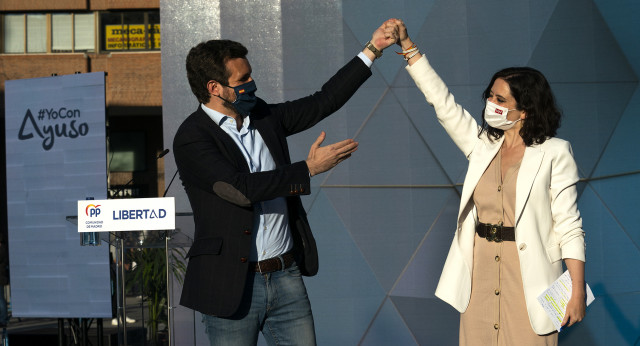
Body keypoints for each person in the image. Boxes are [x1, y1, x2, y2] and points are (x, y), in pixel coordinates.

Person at [173, 21, 397, 345]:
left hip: (286, 276)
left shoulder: (264, 117)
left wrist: (373, 49)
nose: (252, 83)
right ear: (214, 87)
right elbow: (239, 189)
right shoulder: (192, 138)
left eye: (250, 74)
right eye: (243, 79)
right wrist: (307, 169)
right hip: (230, 286)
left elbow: (325, 101)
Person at [391, 20, 586, 345]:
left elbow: (570, 226)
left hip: (532, 281)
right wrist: (410, 49)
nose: (491, 104)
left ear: (525, 111)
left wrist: (577, 290)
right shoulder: (482, 144)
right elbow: (444, 105)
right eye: (490, 96)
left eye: (501, 99)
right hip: (479, 274)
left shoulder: (555, 152)